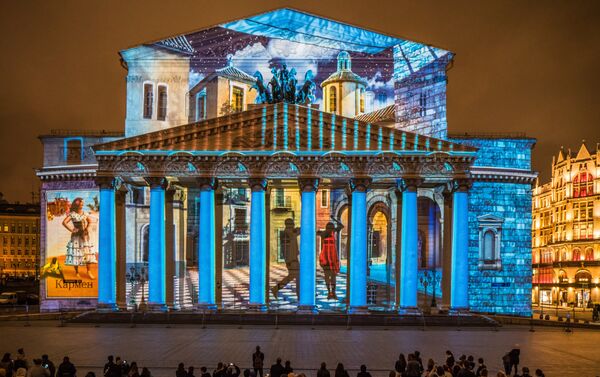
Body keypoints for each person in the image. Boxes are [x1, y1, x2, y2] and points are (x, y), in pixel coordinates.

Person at [62, 197, 97, 280]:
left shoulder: (85, 213)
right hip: (76, 237)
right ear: (76, 205)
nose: (82, 205)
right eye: (80, 203)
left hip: (85, 236)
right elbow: (64, 222)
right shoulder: (72, 214)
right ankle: (77, 272)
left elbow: (90, 221)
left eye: (82, 203)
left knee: (87, 253)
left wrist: (87, 229)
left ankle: (89, 271)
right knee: (76, 254)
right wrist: (72, 229)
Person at [272, 219, 300, 299]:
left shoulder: (286, 233)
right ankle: (300, 295)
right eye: (292, 224)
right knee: (298, 277)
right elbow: (297, 232)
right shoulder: (288, 233)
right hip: (292, 260)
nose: (294, 225)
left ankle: (276, 289)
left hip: (291, 259)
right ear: (289, 225)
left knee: (293, 276)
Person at [318, 220, 343, 299]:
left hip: (332, 258)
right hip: (325, 258)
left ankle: (333, 293)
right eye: (330, 228)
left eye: (331, 228)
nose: (331, 229)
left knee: (332, 276)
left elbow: (341, 226)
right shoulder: (323, 234)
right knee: (328, 276)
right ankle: (330, 292)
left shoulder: (332, 232)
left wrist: (335, 220)